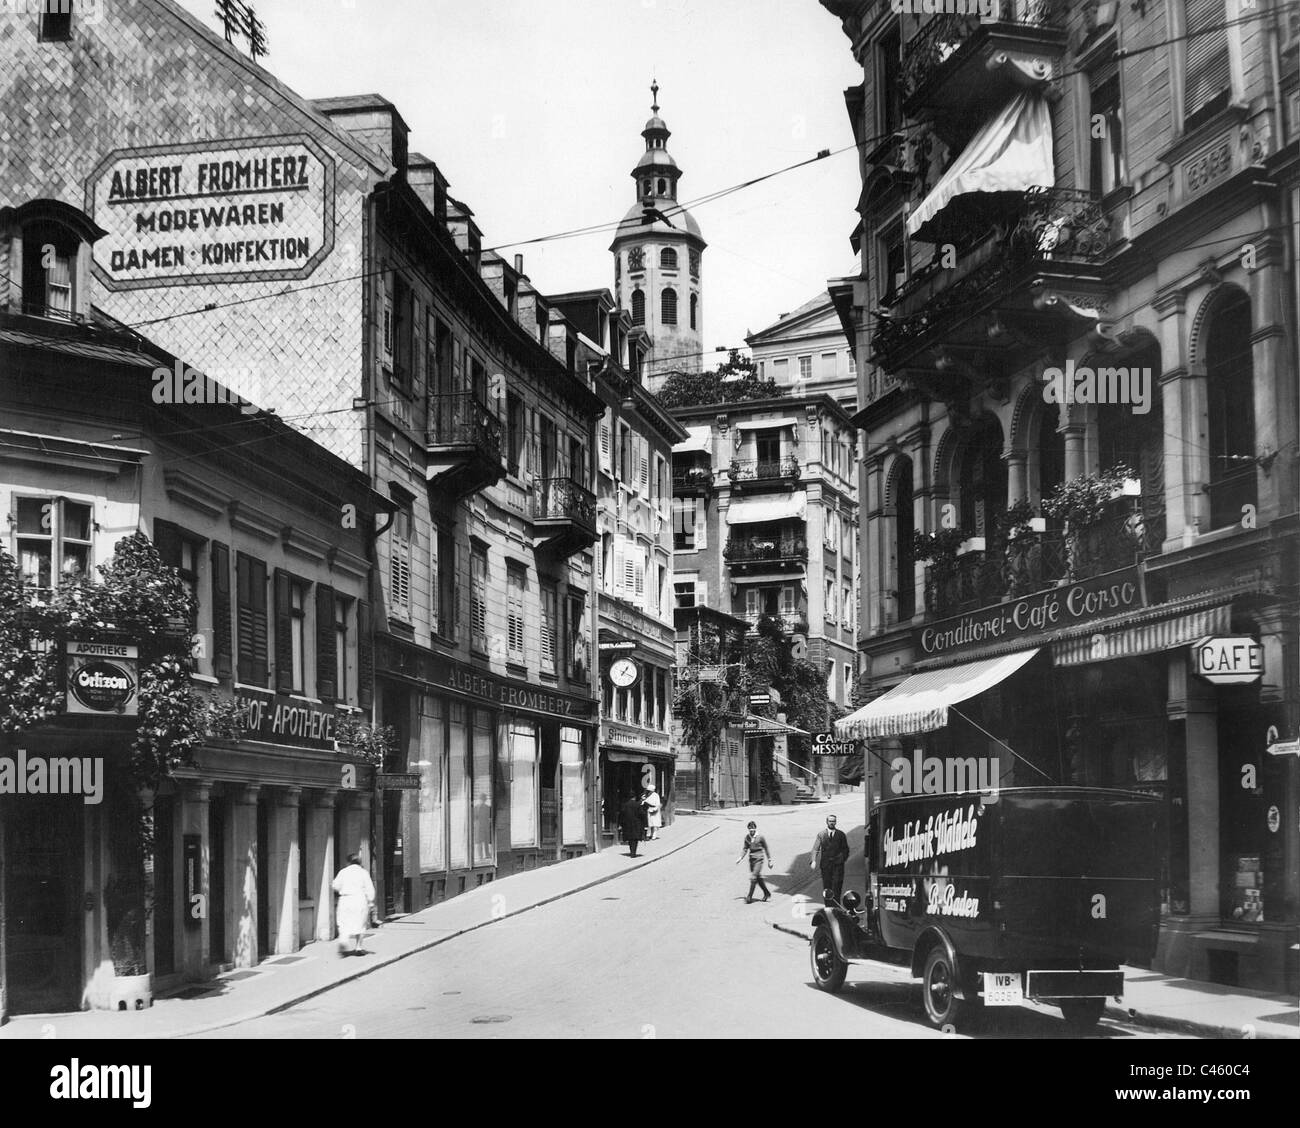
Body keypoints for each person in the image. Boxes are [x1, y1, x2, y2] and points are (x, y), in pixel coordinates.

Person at [332, 852, 376, 955]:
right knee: (360, 923)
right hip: (359, 900)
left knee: (343, 922)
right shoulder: (363, 872)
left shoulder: (343, 872)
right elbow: (369, 889)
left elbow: (335, 886)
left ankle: (343, 941)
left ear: (348, 862)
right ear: (359, 862)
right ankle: (358, 947)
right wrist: (371, 901)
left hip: (345, 899)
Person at [811, 813, 850, 904]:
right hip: (826, 865)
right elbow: (815, 848)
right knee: (827, 887)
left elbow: (846, 849)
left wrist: (842, 859)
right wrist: (813, 860)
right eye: (830, 821)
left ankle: (836, 906)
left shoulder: (841, 834)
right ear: (827, 822)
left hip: (838, 866)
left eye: (833, 821)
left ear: (835, 822)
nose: (832, 823)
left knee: (837, 885)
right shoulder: (821, 834)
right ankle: (828, 906)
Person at [735, 820, 773, 903]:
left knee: (753, 877)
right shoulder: (747, 837)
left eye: (753, 829)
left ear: (755, 828)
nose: (751, 831)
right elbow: (745, 849)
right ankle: (766, 893)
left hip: (759, 859)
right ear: (748, 829)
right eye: (750, 829)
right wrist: (740, 858)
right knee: (757, 878)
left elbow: (766, 848)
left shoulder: (760, 837)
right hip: (751, 860)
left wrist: (769, 860)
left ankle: (749, 897)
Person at [619, 792, 647, 858]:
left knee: (630, 839)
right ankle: (633, 853)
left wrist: (621, 824)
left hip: (627, 824)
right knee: (635, 839)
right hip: (636, 824)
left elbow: (622, 815)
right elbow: (642, 814)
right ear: (634, 797)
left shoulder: (625, 805)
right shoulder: (638, 805)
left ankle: (631, 851)